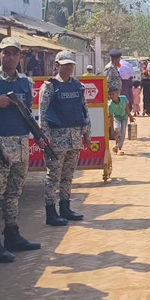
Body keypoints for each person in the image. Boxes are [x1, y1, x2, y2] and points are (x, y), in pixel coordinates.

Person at [0, 37, 42, 265]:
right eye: (6, 53)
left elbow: (28, 112)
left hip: (21, 142)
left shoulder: (26, 82)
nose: (10, 57)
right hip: (0, 144)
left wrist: (37, 136)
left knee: (14, 192)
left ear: (20, 56)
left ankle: (12, 233)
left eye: (14, 53)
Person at [39, 51, 91, 226]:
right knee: (53, 177)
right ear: (57, 65)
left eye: (71, 65)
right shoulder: (49, 87)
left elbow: (84, 111)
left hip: (74, 138)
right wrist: (46, 137)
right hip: (56, 140)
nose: (68, 68)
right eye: (65, 64)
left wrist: (87, 134)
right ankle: (51, 212)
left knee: (68, 176)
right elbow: (43, 115)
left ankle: (65, 208)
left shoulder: (78, 86)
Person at [108, 88, 133, 155]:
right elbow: (111, 117)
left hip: (124, 117)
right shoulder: (110, 105)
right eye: (110, 95)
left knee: (123, 132)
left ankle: (119, 148)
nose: (111, 96)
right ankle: (116, 144)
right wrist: (112, 128)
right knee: (117, 130)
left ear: (117, 94)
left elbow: (127, 108)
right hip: (117, 118)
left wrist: (130, 116)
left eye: (113, 94)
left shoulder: (124, 98)